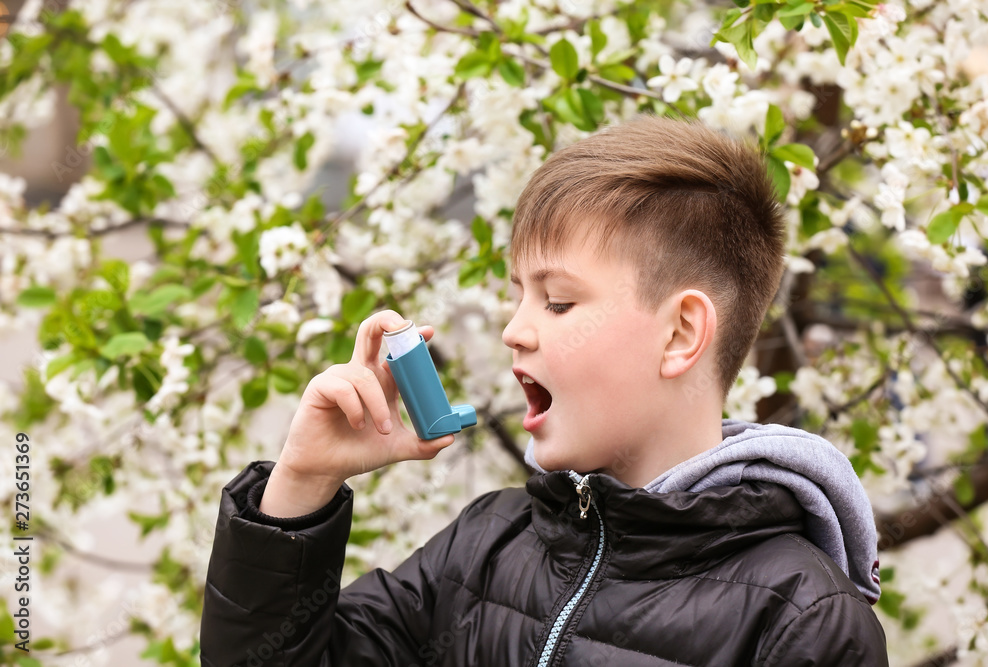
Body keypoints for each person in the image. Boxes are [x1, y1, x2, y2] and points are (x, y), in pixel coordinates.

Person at [200, 114, 889, 666]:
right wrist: (300, 485)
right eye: (516, 297)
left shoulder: (802, 618)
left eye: (557, 302)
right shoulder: (486, 546)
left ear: (681, 333)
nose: (513, 331)